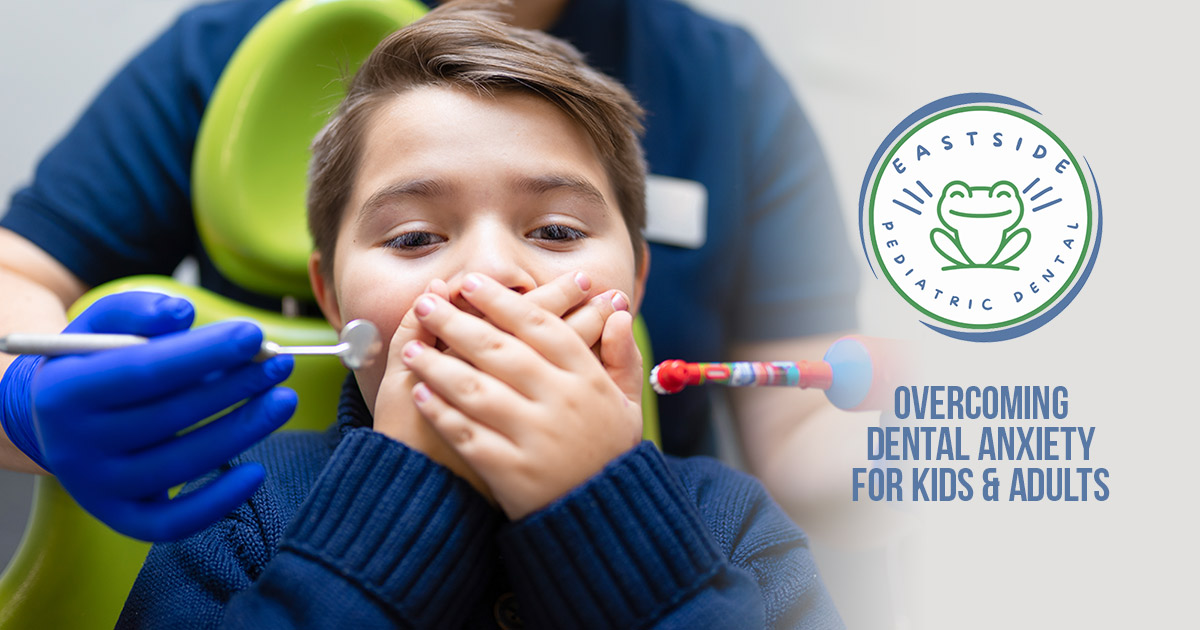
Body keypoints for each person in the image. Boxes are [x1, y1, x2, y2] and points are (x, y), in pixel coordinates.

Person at [0, 0, 858, 540]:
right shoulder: (239, 543)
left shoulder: (729, 536)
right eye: (413, 237)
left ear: (636, 277)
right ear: (328, 292)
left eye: (556, 229)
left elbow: (802, 424)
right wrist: (23, 401)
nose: (489, 276)